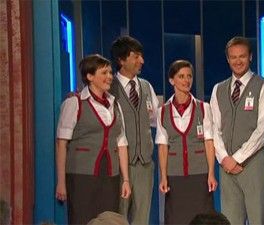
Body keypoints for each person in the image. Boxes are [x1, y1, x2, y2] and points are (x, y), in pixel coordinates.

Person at [55, 54, 131, 224]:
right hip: (82, 175)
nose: (109, 77)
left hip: (111, 175)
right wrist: (61, 182)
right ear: (89, 76)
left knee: (110, 219)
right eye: (104, 73)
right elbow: (61, 143)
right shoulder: (75, 103)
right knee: (82, 218)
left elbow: (122, 143)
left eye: (110, 73)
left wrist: (125, 179)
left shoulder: (114, 104)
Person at [210, 36, 264, 224]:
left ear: (251, 57)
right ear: (228, 59)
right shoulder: (218, 89)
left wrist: (237, 158)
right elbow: (215, 128)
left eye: (242, 56)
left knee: (258, 219)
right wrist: (224, 158)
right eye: (233, 57)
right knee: (230, 220)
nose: (238, 61)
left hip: (254, 165)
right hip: (226, 167)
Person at [156, 60, 218, 224]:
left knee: (203, 217)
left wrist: (211, 173)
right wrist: (163, 176)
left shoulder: (203, 108)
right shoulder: (162, 111)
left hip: (199, 173)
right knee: (176, 218)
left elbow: (209, 142)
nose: (186, 80)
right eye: (181, 76)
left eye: (189, 76)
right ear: (172, 80)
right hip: (174, 175)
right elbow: (163, 147)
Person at [109, 36, 159, 225]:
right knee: (118, 217)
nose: (142, 61)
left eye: (142, 56)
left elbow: (155, 120)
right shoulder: (109, 87)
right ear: (122, 60)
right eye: (136, 56)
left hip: (144, 163)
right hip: (119, 164)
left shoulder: (146, 86)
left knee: (142, 217)